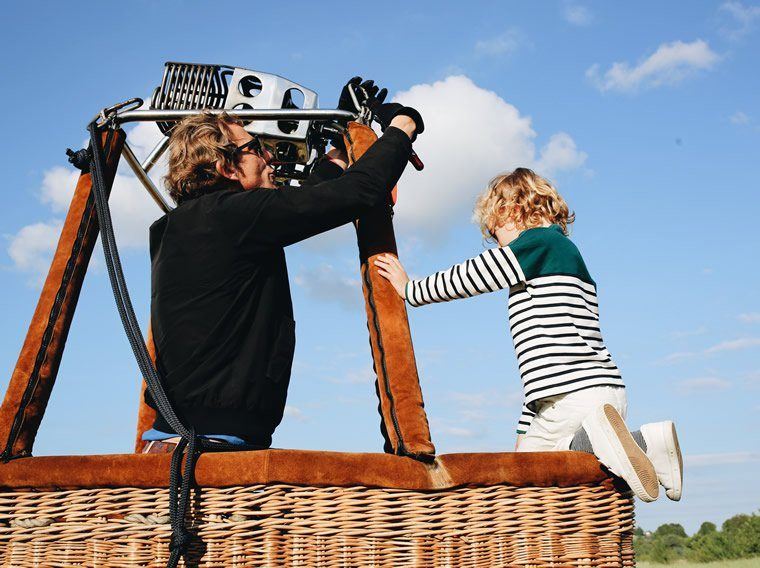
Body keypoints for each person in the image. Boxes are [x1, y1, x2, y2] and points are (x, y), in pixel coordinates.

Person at [142, 78, 424, 453]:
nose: (271, 157)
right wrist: (403, 128)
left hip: (177, 438)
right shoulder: (236, 218)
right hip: (213, 448)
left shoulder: (178, 226)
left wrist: (339, 149)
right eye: (256, 148)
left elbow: (307, 200)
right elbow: (356, 194)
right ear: (227, 167)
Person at [374, 168, 683, 503]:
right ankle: (649, 443)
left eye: (495, 233)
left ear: (513, 211)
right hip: (591, 392)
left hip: (571, 394)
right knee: (551, 465)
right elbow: (542, 366)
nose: (497, 243)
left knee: (525, 484)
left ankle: (609, 438)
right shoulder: (568, 263)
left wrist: (411, 289)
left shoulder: (539, 244)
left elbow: (476, 274)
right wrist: (524, 429)